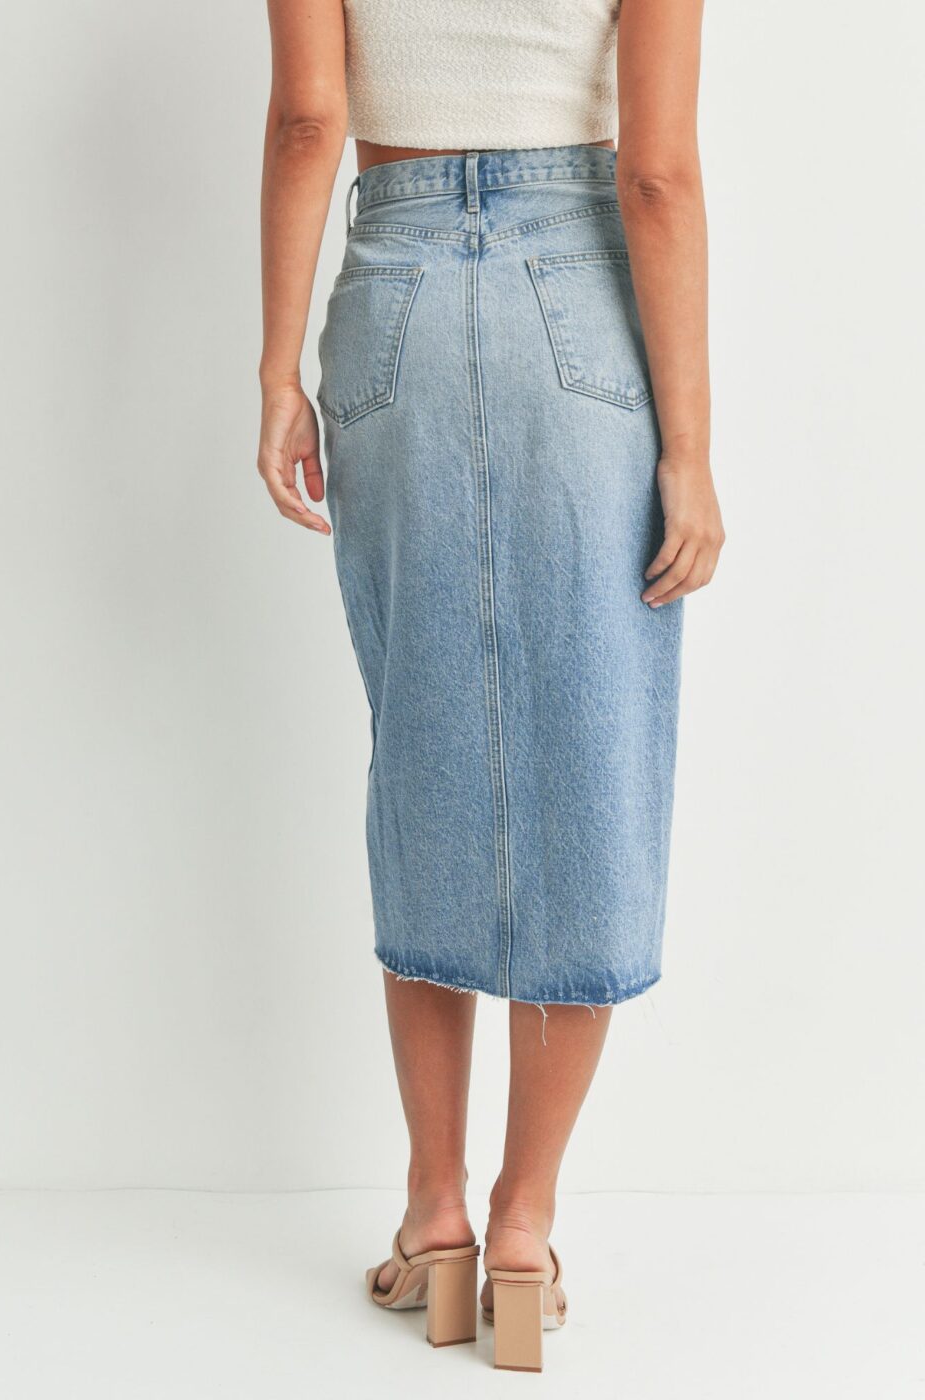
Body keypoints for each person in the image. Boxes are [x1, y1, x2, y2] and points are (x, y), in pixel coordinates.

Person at [257, 0, 724, 1372]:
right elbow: (657, 175)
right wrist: (689, 452)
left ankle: (436, 1216)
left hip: (390, 290)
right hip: (580, 298)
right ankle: (524, 1228)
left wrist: (277, 371)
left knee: (427, 748)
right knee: (589, 752)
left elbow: (308, 121)